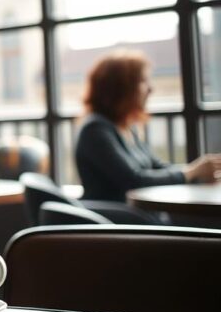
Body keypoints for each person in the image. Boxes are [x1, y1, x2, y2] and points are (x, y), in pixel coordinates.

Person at [74, 49, 221, 202]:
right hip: (120, 220)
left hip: (138, 215)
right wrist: (190, 172)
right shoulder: (95, 130)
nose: (150, 89)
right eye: (143, 81)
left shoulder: (125, 127)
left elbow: (156, 166)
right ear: (120, 88)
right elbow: (134, 181)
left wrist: (199, 172)